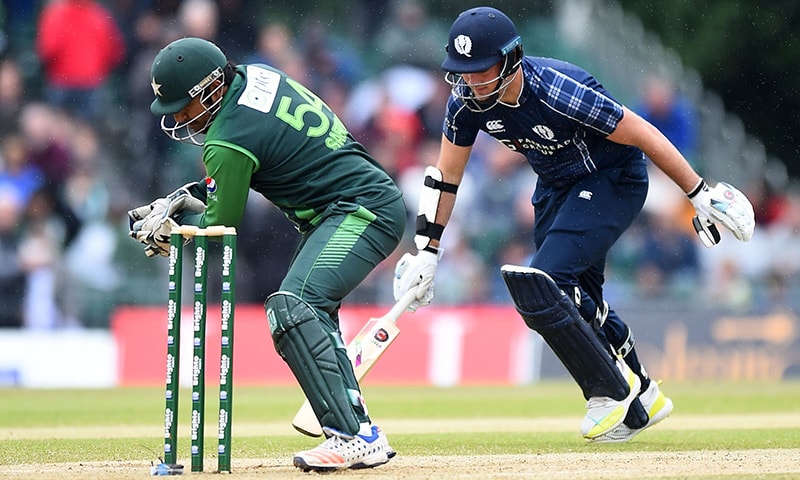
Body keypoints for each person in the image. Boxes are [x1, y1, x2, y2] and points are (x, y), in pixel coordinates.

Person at [393, 6, 755, 443]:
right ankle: (642, 393)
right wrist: (427, 252)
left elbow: (643, 133)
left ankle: (608, 393)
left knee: (543, 283)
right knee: (577, 299)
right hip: (556, 187)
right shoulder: (465, 102)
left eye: (480, 70)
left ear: (510, 62)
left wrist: (699, 194)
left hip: (612, 179)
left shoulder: (558, 91)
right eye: (462, 71)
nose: (470, 81)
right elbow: (447, 176)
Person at [128, 37, 404, 471]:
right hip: (352, 206)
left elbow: (222, 225)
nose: (181, 118)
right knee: (311, 312)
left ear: (210, 89)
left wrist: (173, 230)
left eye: (185, 106)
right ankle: (358, 427)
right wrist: (187, 198)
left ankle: (354, 436)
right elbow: (255, 161)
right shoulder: (257, 77)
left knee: (293, 308)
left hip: (359, 211)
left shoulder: (226, 137)